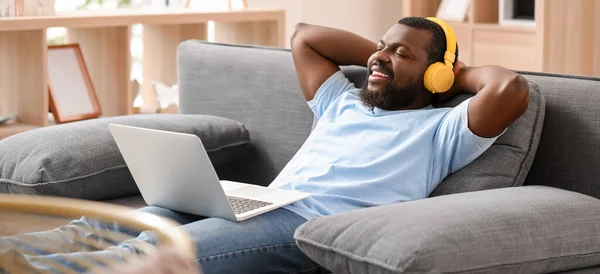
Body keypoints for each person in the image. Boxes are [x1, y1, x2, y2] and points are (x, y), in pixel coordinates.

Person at [1, 17, 529, 274]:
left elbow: (511, 90)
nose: (380, 59)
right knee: (122, 222)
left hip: (308, 227)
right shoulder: (343, 103)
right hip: (260, 202)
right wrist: (385, 52)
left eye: (404, 56)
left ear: (437, 74)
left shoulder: (441, 131)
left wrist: (449, 75)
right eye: (381, 48)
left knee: (143, 255)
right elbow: (304, 37)